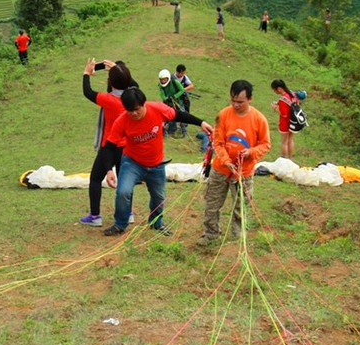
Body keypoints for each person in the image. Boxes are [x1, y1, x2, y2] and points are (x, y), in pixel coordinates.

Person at [102, 88, 213, 236]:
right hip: (132, 163)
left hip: (156, 164)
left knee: (159, 197)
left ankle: (156, 223)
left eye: (137, 109)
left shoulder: (157, 109)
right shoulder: (122, 121)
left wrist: (201, 122)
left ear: (143, 104)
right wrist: (109, 170)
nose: (134, 114)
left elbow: (178, 115)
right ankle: (120, 224)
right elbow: (109, 147)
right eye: (130, 110)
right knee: (123, 192)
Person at [198, 80, 271, 246]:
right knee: (212, 203)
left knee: (241, 206)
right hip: (220, 169)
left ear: (250, 99)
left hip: (244, 172)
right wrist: (226, 160)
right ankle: (210, 234)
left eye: (240, 102)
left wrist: (251, 152)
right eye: (233, 100)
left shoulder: (259, 119)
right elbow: (218, 142)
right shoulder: (223, 115)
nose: (235, 105)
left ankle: (237, 236)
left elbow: (265, 144)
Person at [80, 58, 135, 227]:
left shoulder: (108, 100)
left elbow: (88, 92)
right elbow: (135, 86)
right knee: (125, 180)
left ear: (110, 82)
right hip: (126, 147)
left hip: (108, 147)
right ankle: (128, 213)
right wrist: (119, 70)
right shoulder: (132, 98)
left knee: (96, 179)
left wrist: (86, 73)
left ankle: (95, 216)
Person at [271, 79, 299, 159]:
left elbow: (284, 114)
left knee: (284, 142)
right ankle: (290, 158)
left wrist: (275, 108)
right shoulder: (292, 94)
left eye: (274, 90)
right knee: (290, 140)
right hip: (293, 121)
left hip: (285, 123)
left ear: (279, 88)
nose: (274, 91)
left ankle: (283, 159)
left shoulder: (283, 99)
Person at [157, 69, 187, 137]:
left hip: (178, 102)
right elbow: (162, 95)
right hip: (169, 103)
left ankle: (184, 131)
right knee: (171, 117)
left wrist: (175, 96)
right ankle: (172, 131)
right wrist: (166, 99)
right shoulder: (161, 85)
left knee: (182, 116)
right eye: (161, 79)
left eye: (164, 79)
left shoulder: (174, 81)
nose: (163, 81)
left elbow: (182, 90)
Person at [174, 64, 194, 137]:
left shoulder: (184, 77)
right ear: (178, 72)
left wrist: (183, 90)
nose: (183, 74)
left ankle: (184, 127)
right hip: (175, 99)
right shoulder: (173, 78)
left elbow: (191, 85)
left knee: (185, 111)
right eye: (183, 73)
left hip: (183, 98)